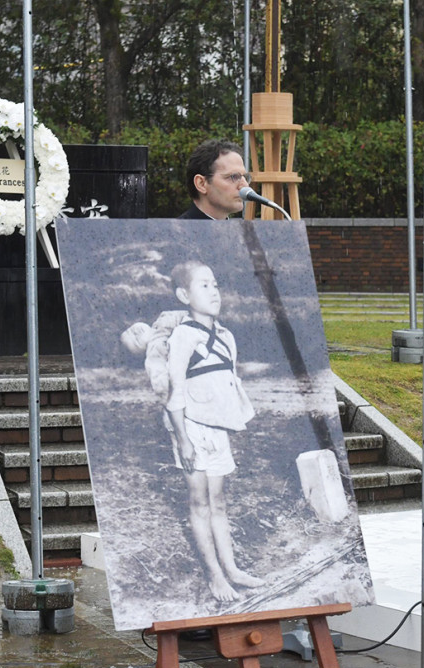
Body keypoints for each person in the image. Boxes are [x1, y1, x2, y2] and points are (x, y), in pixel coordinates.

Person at [126, 260, 263, 601]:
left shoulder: (227, 336)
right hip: (191, 429)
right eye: (204, 285)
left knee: (218, 502)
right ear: (183, 295)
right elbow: (174, 392)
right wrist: (184, 440)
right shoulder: (183, 336)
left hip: (216, 430)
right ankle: (215, 576)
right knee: (199, 503)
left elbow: (228, 384)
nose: (214, 291)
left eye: (215, 283)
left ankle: (231, 569)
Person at [180, 139, 250, 220]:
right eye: (233, 177)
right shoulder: (177, 231)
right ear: (201, 184)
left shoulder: (239, 231)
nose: (245, 185)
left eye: (245, 177)